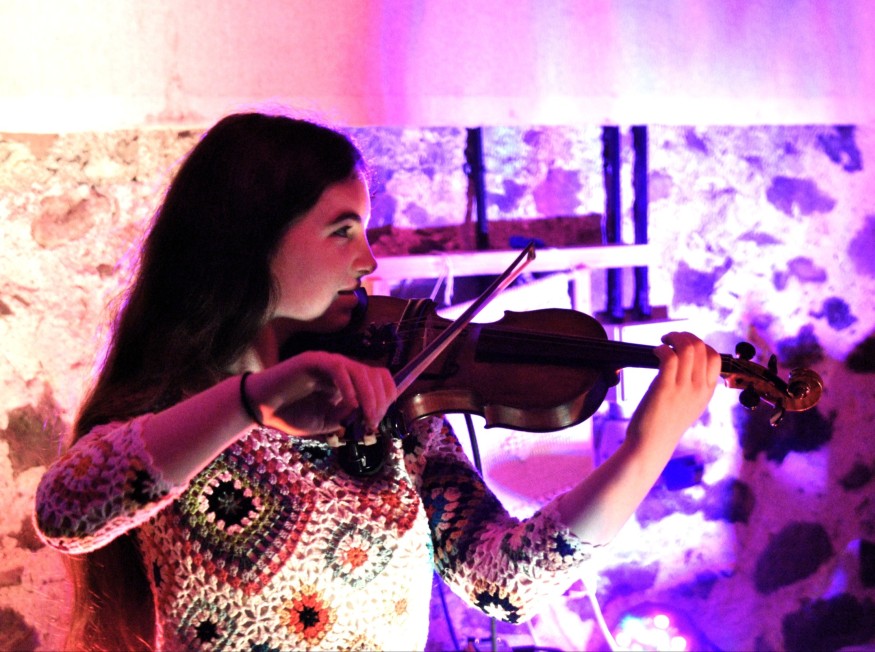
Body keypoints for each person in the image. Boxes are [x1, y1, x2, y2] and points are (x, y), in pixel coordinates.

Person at [34, 111, 721, 651]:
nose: (367, 261)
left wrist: (646, 449)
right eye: (342, 231)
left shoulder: (389, 407)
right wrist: (252, 400)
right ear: (250, 240)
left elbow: (503, 582)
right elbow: (66, 514)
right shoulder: (175, 415)